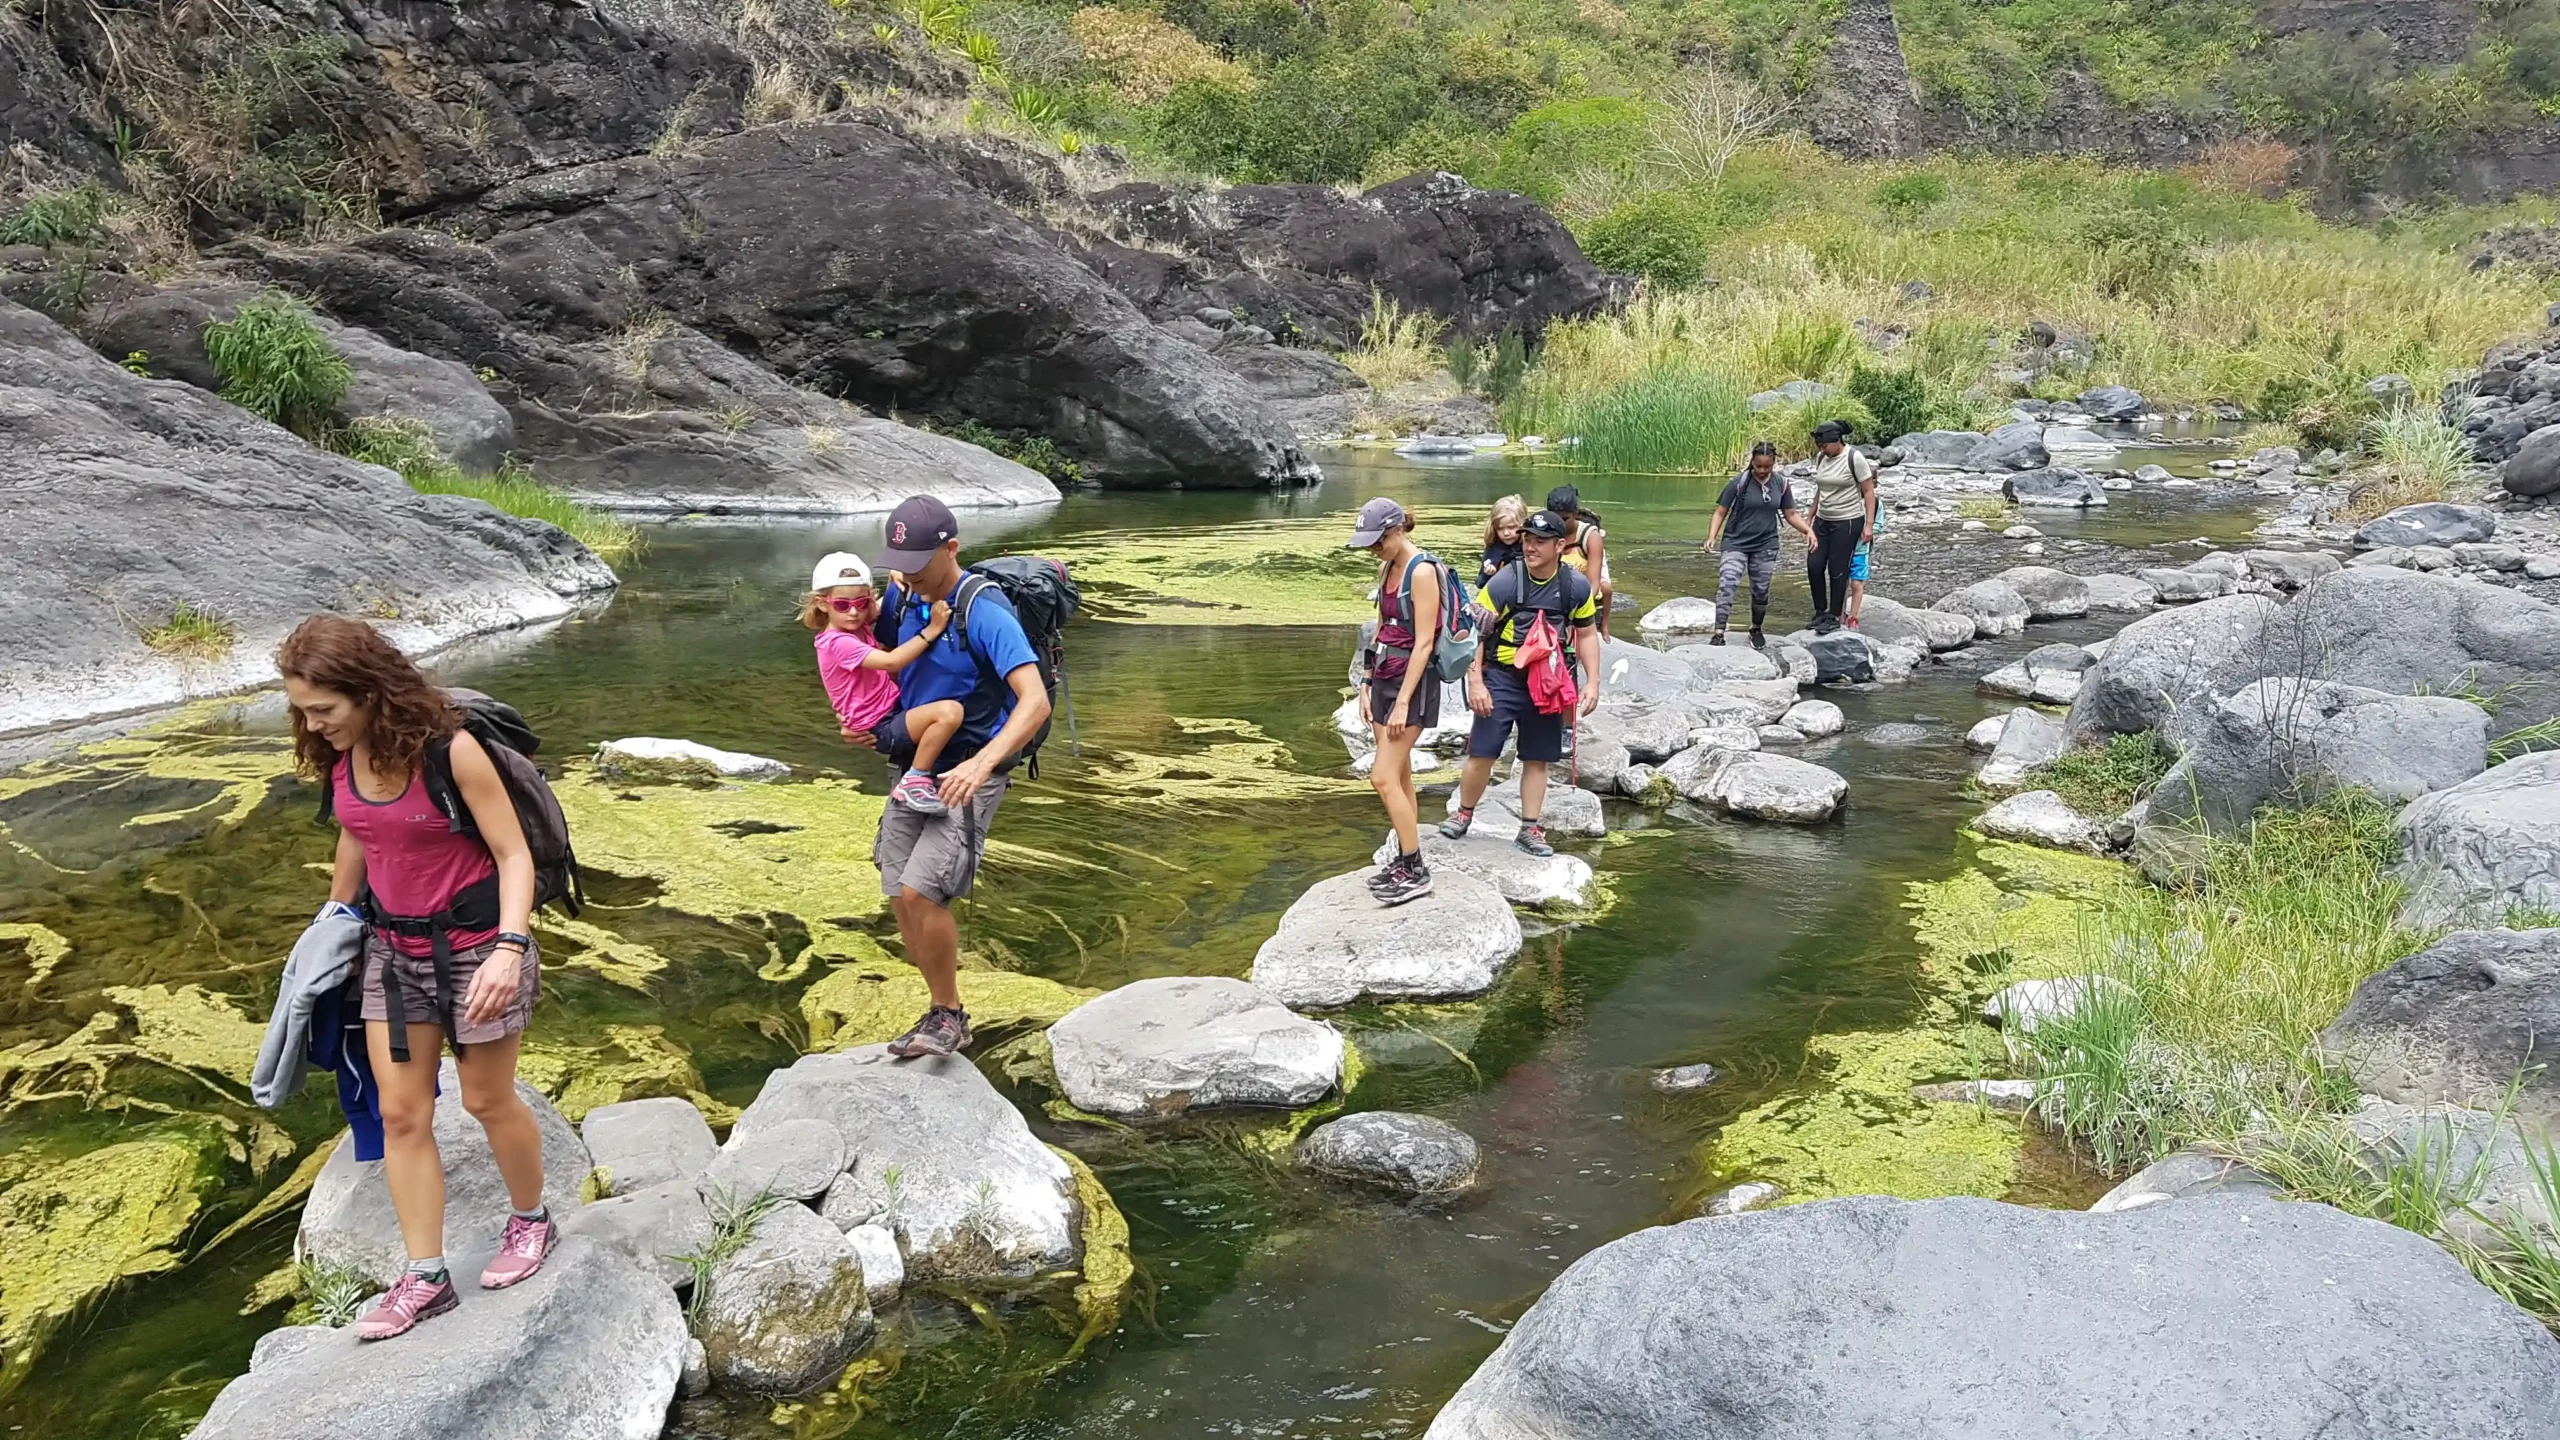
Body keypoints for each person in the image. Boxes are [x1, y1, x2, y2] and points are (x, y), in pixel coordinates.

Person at [276, 615, 552, 1341]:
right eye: (302, 709)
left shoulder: (453, 752)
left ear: (368, 692)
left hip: (476, 948)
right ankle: (426, 1277)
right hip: (393, 958)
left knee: (487, 1099)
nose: (312, 723)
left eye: (324, 709)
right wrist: (333, 919)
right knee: (401, 1115)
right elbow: (358, 831)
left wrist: (510, 948)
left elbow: (513, 854)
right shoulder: (340, 754)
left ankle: (532, 1222)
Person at [848, 497, 1052, 1059]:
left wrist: (983, 763)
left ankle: (948, 1014)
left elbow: (1033, 703)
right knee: (897, 891)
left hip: (968, 768)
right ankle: (939, 1008)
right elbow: (871, 660)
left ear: (951, 547)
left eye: (919, 558)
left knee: (923, 889)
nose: (908, 570)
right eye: (900, 558)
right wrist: (869, 725)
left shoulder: (984, 611)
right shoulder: (904, 594)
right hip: (913, 764)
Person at [1441, 509, 1604, 857]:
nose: (1530, 546)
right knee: (1483, 751)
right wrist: (1476, 683)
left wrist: (1593, 683)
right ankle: (1463, 813)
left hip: (1547, 682)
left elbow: (1587, 634)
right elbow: (1475, 634)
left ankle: (1529, 828)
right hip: (1501, 678)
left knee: (1537, 758)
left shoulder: (1574, 586)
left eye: (1540, 541)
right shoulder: (1504, 581)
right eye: (1527, 539)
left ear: (1560, 546)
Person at [804, 551, 963, 813]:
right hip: (879, 726)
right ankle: (915, 779)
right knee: (949, 713)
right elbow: (892, 662)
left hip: (889, 710)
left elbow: (883, 601)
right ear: (823, 603)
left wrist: (897, 576)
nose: (854, 612)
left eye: (862, 602)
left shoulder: (855, 622)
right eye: (843, 605)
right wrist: (932, 630)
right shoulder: (838, 642)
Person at [1351, 497, 1444, 906]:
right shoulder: (1386, 566)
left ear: (1398, 530)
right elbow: (1381, 628)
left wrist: (1405, 701)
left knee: (1382, 777)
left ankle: (1416, 868)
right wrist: (1366, 684)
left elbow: (1424, 642)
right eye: (1370, 543)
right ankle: (1405, 861)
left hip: (1414, 685)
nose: (1374, 549)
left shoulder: (1421, 572)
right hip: (1385, 678)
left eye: (1379, 541)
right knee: (1401, 775)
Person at [1703, 441, 1814, 648]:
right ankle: (1719, 632)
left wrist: (1807, 530)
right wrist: (1712, 536)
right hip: (1735, 543)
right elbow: (1720, 511)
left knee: (1761, 590)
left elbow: (1790, 514)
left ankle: (1756, 629)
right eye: (1758, 466)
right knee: (1727, 584)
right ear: (1751, 463)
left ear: (1774, 464)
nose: (1762, 470)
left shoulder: (1781, 484)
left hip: (1766, 545)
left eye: (1767, 467)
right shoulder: (1738, 483)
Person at [1803, 420, 1878, 634]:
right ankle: (1820, 612)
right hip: (1823, 520)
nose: (1822, 449)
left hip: (1848, 520)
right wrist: (1810, 516)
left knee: (1838, 569)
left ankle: (1835, 615)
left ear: (1837, 441)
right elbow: (1821, 489)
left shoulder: (1854, 458)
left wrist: (1869, 525)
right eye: (1819, 446)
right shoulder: (1821, 458)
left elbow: (1868, 492)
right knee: (1814, 565)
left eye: (1825, 445)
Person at [1545, 485, 1613, 637]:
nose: (1560, 524)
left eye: (1565, 519)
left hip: (1586, 603)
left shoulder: (1590, 537)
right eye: (1555, 518)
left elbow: (1593, 583)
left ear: (1575, 514)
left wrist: (1577, 611)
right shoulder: (1544, 532)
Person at [1846, 504, 1883, 630]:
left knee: (1857, 583)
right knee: (1841, 583)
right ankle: (1839, 614)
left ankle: (1853, 617)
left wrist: (1868, 530)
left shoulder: (1876, 503)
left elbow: (1878, 524)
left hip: (1861, 550)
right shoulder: (1848, 498)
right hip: (1841, 549)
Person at [1480, 494, 1528, 580]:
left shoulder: (1529, 548)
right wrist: (1488, 573)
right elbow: (1480, 583)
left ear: (1523, 524)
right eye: (1500, 528)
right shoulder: (1493, 550)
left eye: (1511, 527)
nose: (1506, 533)